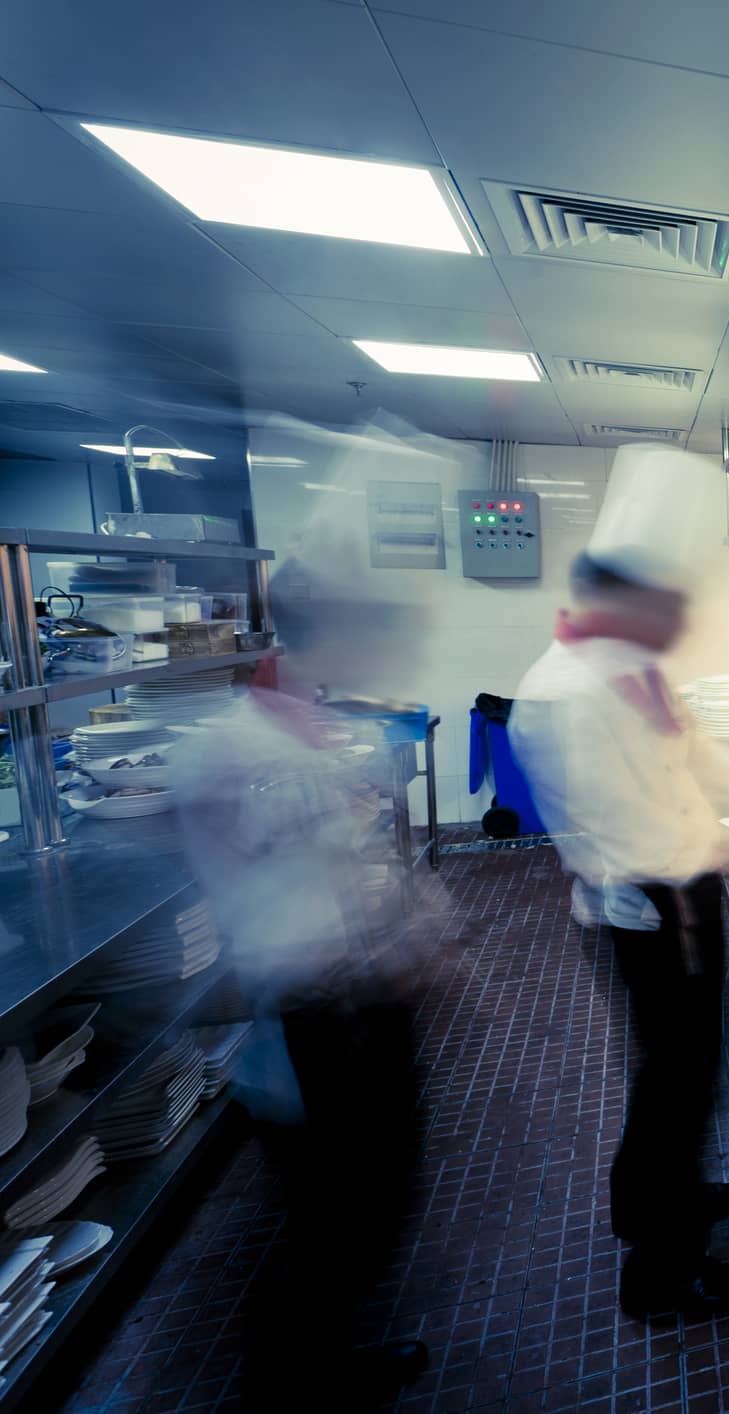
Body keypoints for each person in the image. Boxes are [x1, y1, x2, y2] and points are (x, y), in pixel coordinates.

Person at [172, 427, 442, 1409]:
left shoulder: (318, 720)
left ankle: (325, 1363)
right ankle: (288, 1386)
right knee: (336, 1215)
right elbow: (250, 880)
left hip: (366, 1001)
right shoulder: (229, 749)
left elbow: (360, 855)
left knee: (373, 1198)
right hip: (310, 1013)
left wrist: (406, 922)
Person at [510, 443, 729, 1322]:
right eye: (668, 602)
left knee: (677, 1075)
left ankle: (658, 1203)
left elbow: (688, 753)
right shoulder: (565, 693)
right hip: (649, 909)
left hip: (677, 897)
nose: (679, 620)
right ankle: (662, 1275)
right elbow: (633, 832)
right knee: (677, 1085)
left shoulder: (622, 664)